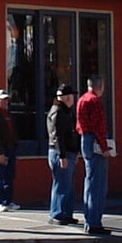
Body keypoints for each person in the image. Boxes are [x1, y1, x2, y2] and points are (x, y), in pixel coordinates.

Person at [76, 74, 110, 236]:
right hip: (94, 140)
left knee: (90, 181)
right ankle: (95, 222)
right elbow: (98, 126)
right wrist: (104, 147)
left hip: (85, 139)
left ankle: (88, 219)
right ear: (100, 86)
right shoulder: (95, 101)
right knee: (98, 184)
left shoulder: (82, 99)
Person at [45, 84, 78, 226]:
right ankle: (57, 213)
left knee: (68, 185)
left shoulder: (66, 111)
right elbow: (57, 136)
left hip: (69, 152)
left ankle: (66, 213)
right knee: (61, 184)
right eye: (71, 96)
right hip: (60, 153)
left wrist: (75, 152)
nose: (73, 99)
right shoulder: (58, 112)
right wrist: (62, 156)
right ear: (66, 97)